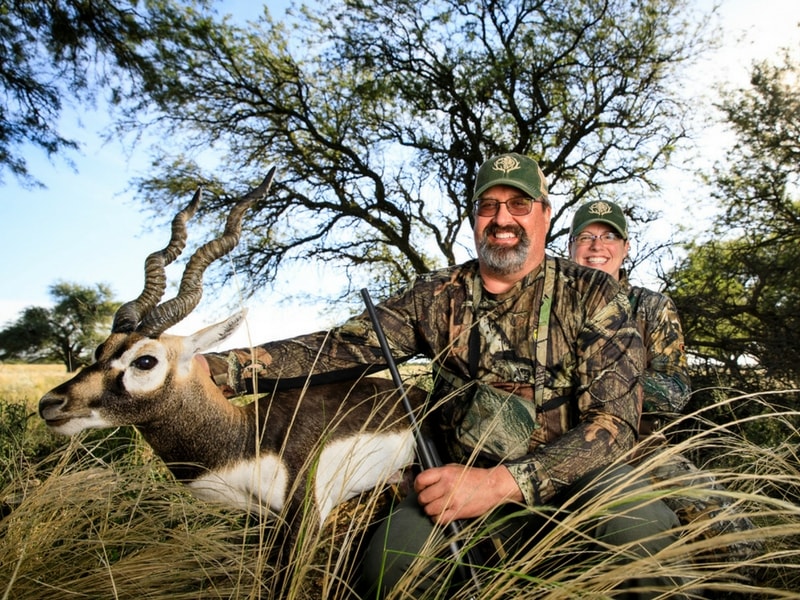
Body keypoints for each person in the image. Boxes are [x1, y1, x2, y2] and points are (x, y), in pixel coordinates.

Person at [204, 153, 684, 598]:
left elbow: (616, 425)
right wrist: (219, 367)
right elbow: (338, 348)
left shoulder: (594, 292)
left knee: (638, 531)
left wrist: (498, 484)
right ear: (474, 217)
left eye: (519, 203)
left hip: (579, 480)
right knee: (389, 567)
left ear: (545, 213)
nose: (502, 219)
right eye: (488, 205)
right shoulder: (435, 294)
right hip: (455, 483)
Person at [567, 200, 691, 434]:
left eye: (609, 236)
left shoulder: (652, 307)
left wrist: (598, 376)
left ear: (626, 247)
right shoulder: (549, 305)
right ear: (570, 247)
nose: (597, 246)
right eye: (585, 237)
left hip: (635, 450)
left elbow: (676, 393)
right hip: (551, 448)